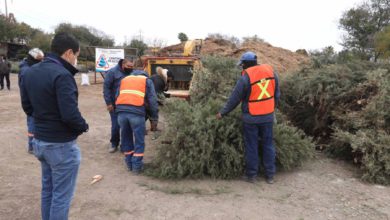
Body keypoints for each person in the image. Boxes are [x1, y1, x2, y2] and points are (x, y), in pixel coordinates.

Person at [21, 32, 89, 220]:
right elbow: (70, 115)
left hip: (40, 141)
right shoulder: (63, 75)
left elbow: (27, 107)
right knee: (61, 197)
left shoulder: (30, 72)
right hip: (60, 146)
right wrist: (83, 126)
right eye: (76, 54)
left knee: (48, 191)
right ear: (68, 53)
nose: (76, 59)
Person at [216, 51, 280, 184]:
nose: (242, 67)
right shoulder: (271, 73)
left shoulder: (245, 78)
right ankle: (270, 176)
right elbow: (277, 94)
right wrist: (271, 108)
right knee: (268, 145)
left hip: (251, 118)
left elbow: (234, 99)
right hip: (268, 117)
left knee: (252, 146)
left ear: (245, 64)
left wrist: (222, 113)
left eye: (242, 65)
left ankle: (251, 175)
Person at [115, 69, 158, 174]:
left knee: (126, 138)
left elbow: (117, 96)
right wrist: (154, 118)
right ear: (145, 74)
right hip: (136, 113)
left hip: (121, 113)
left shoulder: (124, 79)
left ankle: (129, 164)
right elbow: (152, 100)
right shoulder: (146, 81)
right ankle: (137, 167)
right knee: (139, 140)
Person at [103, 57, 134, 153]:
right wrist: (108, 103)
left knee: (126, 126)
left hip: (127, 104)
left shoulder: (131, 73)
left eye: (132, 66)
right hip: (115, 105)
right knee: (116, 126)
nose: (131, 68)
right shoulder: (112, 72)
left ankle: (124, 145)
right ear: (123, 64)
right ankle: (114, 143)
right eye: (129, 66)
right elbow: (106, 88)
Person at [19, 48, 45, 154]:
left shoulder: (30, 67)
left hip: (36, 100)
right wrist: (28, 108)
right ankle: (32, 146)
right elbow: (24, 92)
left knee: (34, 123)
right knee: (32, 123)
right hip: (32, 102)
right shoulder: (26, 71)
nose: (41, 62)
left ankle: (34, 144)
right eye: (39, 60)